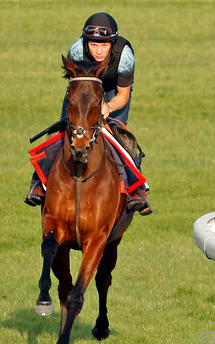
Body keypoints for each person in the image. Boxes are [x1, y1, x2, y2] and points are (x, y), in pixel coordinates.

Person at [25, 12, 151, 216]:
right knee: (65, 128)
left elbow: (123, 95)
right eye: (93, 45)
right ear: (85, 42)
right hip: (84, 86)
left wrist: (107, 108)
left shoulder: (125, 58)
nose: (99, 51)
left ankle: (137, 190)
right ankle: (38, 183)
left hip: (112, 90)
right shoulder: (76, 52)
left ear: (112, 43)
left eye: (104, 45)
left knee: (118, 135)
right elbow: (76, 90)